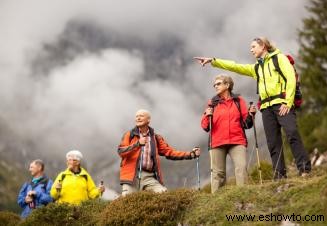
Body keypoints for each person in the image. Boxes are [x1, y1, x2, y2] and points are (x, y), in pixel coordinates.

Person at [194, 37, 311, 179]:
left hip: (282, 103)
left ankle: (304, 169)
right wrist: (213, 61)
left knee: (292, 133)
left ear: (263, 46)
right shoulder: (257, 67)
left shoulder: (279, 58)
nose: (251, 50)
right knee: (273, 142)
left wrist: (287, 102)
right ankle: (279, 175)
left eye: (253, 46)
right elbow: (235, 66)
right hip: (266, 108)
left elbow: (291, 78)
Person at [118, 109, 201, 196]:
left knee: (164, 195)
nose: (138, 118)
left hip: (149, 177)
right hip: (131, 177)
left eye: (141, 116)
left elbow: (169, 152)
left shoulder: (155, 138)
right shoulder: (129, 135)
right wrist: (137, 144)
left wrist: (191, 154)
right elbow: (121, 151)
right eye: (136, 116)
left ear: (148, 120)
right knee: (127, 202)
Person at [201, 75, 256, 193]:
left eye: (219, 83)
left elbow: (247, 124)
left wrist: (251, 115)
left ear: (227, 85)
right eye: (214, 85)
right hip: (217, 142)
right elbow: (205, 126)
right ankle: (216, 202)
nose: (216, 86)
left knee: (241, 168)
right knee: (218, 174)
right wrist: (206, 115)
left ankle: (243, 196)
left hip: (237, 141)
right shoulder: (212, 103)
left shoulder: (238, 101)